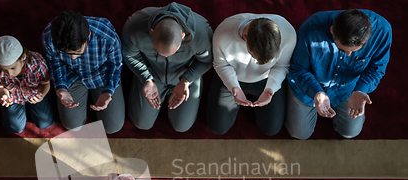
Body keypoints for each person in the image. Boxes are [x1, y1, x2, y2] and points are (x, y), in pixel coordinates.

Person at [286, 9, 392, 139]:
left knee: (350, 132)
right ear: (332, 31)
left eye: (354, 52)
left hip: (346, 89)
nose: (348, 55)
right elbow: (299, 70)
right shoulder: (310, 28)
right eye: (342, 49)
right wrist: (316, 92)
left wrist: (360, 90)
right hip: (308, 85)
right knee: (299, 134)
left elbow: (376, 69)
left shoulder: (382, 31)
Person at [122, 2, 213, 132]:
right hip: (152, 74)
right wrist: (146, 78)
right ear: (152, 32)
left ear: (182, 36)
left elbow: (206, 61)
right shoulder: (134, 26)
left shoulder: (201, 33)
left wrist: (186, 80)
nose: (165, 57)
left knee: (182, 127)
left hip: (185, 76)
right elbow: (130, 55)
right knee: (142, 123)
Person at [207, 14, 296, 136]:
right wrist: (234, 86)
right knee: (218, 127)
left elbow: (281, 66)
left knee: (271, 129)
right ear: (245, 37)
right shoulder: (222, 35)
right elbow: (221, 65)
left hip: (266, 79)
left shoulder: (288, 33)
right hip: (233, 76)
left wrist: (272, 88)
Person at [42, 11, 125, 134]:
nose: (72, 58)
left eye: (76, 51)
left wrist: (108, 90)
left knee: (113, 127)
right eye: (66, 53)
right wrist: (61, 88)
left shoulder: (107, 36)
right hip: (71, 75)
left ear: (88, 37)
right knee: (71, 125)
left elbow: (115, 65)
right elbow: (55, 63)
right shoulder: (49, 36)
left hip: (101, 75)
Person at [0, 36, 56, 133]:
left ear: (23, 57)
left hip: (34, 93)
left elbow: (45, 83)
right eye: (4, 70)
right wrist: (4, 95)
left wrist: (41, 94)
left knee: (45, 123)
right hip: (14, 97)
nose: (10, 74)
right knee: (14, 128)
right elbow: (0, 87)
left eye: (13, 68)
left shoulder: (37, 63)